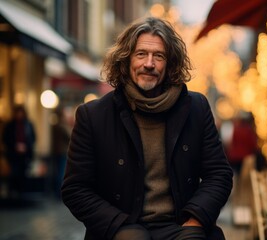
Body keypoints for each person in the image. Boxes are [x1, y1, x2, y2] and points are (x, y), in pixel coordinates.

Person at [61, 17, 233, 240]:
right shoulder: (93, 115)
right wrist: (119, 227)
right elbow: (75, 189)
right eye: (141, 54)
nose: (149, 64)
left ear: (170, 63)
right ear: (126, 60)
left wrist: (195, 221)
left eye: (158, 56)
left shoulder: (196, 108)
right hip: (122, 226)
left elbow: (218, 174)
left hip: (181, 225)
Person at [2, 105, 36, 198]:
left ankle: (22, 194)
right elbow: (5, 138)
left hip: (25, 155)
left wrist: (26, 147)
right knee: (13, 174)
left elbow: (33, 138)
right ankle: (13, 194)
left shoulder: (28, 124)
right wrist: (15, 146)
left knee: (23, 174)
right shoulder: (10, 125)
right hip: (13, 155)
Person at [50, 108, 70, 199]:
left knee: (57, 172)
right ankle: (60, 193)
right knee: (61, 173)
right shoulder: (62, 126)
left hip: (56, 152)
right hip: (62, 152)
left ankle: (57, 192)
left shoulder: (54, 126)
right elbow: (70, 136)